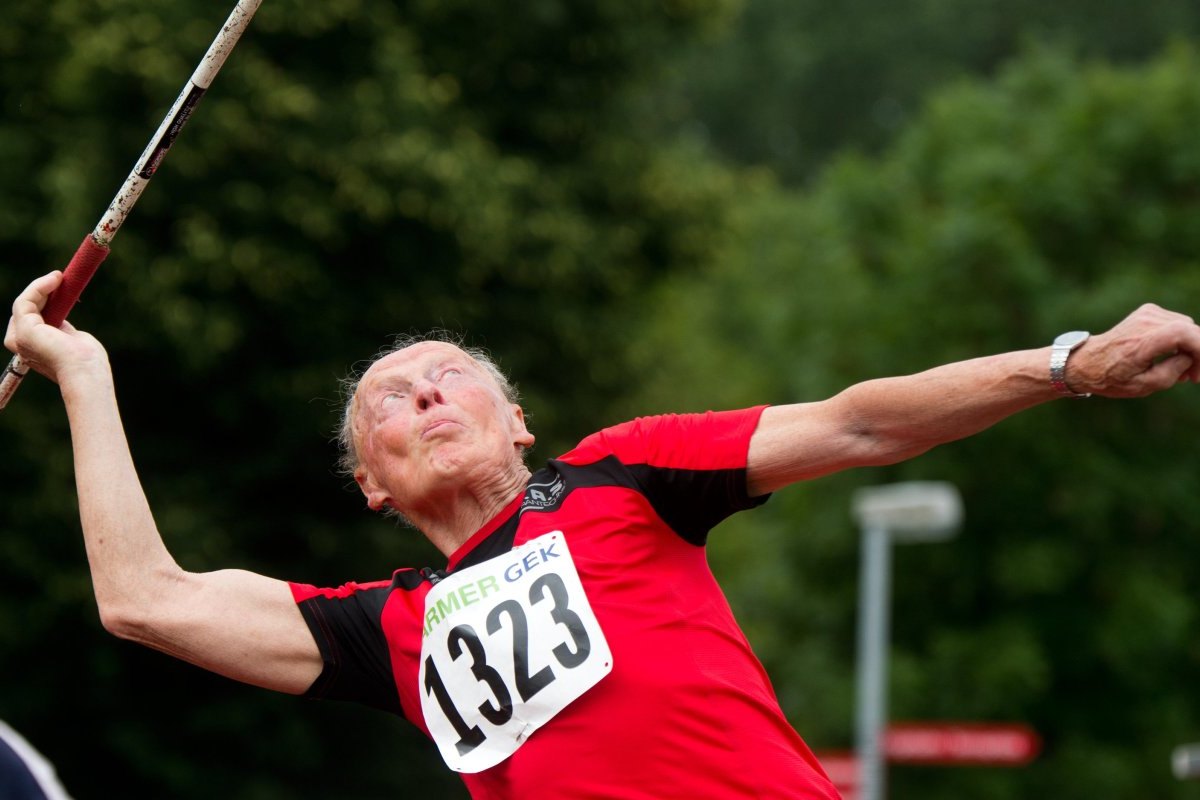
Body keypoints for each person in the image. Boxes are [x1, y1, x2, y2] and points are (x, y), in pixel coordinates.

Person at [6, 269, 1199, 798]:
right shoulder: (393, 630)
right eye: (388, 397)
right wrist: (84, 371)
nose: (423, 394)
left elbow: (858, 423)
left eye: (451, 377)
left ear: (518, 422)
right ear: (370, 484)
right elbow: (144, 598)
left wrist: (1069, 362)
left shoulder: (624, 472)